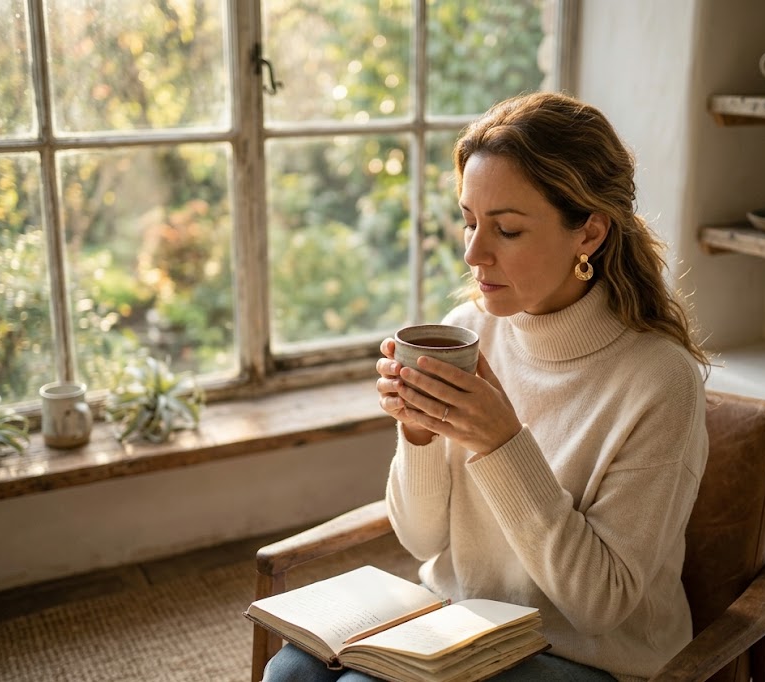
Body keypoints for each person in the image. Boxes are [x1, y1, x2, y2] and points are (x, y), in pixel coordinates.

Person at [265, 92, 710, 682]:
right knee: (291, 674)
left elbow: (599, 605)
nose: (474, 253)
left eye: (507, 229)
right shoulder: (467, 333)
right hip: (461, 620)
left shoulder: (660, 380)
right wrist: (418, 435)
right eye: (470, 222)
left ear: (589, 233)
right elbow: (423, 543)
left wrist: (501, 443)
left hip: (583, 655)